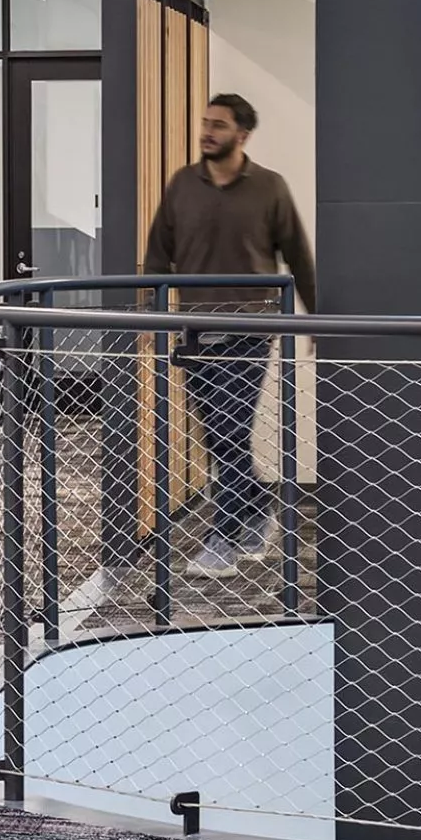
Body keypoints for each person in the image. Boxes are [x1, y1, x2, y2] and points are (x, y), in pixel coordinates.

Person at [143, 93, 315, 579]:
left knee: (230, 427)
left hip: (250, 329)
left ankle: (222, 539)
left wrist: (317, 317)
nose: (207, 132)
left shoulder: (269, 188)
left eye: (218, 125)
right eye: (205, 122)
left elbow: (299, 257)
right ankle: (260, 502)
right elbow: (159, 256)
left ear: (242, 134)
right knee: (217, 436)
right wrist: (151, 317)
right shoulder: (182, 185)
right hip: (194, 329)